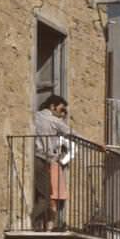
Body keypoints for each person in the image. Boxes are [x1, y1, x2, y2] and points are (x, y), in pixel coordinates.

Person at [33, 95, 72, 230]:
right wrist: (98, 145)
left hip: (38, 159)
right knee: (46, 197)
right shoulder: (53, 120)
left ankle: (38, 226)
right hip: (42, 159)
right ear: (52, 106)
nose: (61, 113)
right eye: (61, 109)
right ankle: (31, 222)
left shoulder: (35, 116)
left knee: (41, 195)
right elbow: (72, 134)